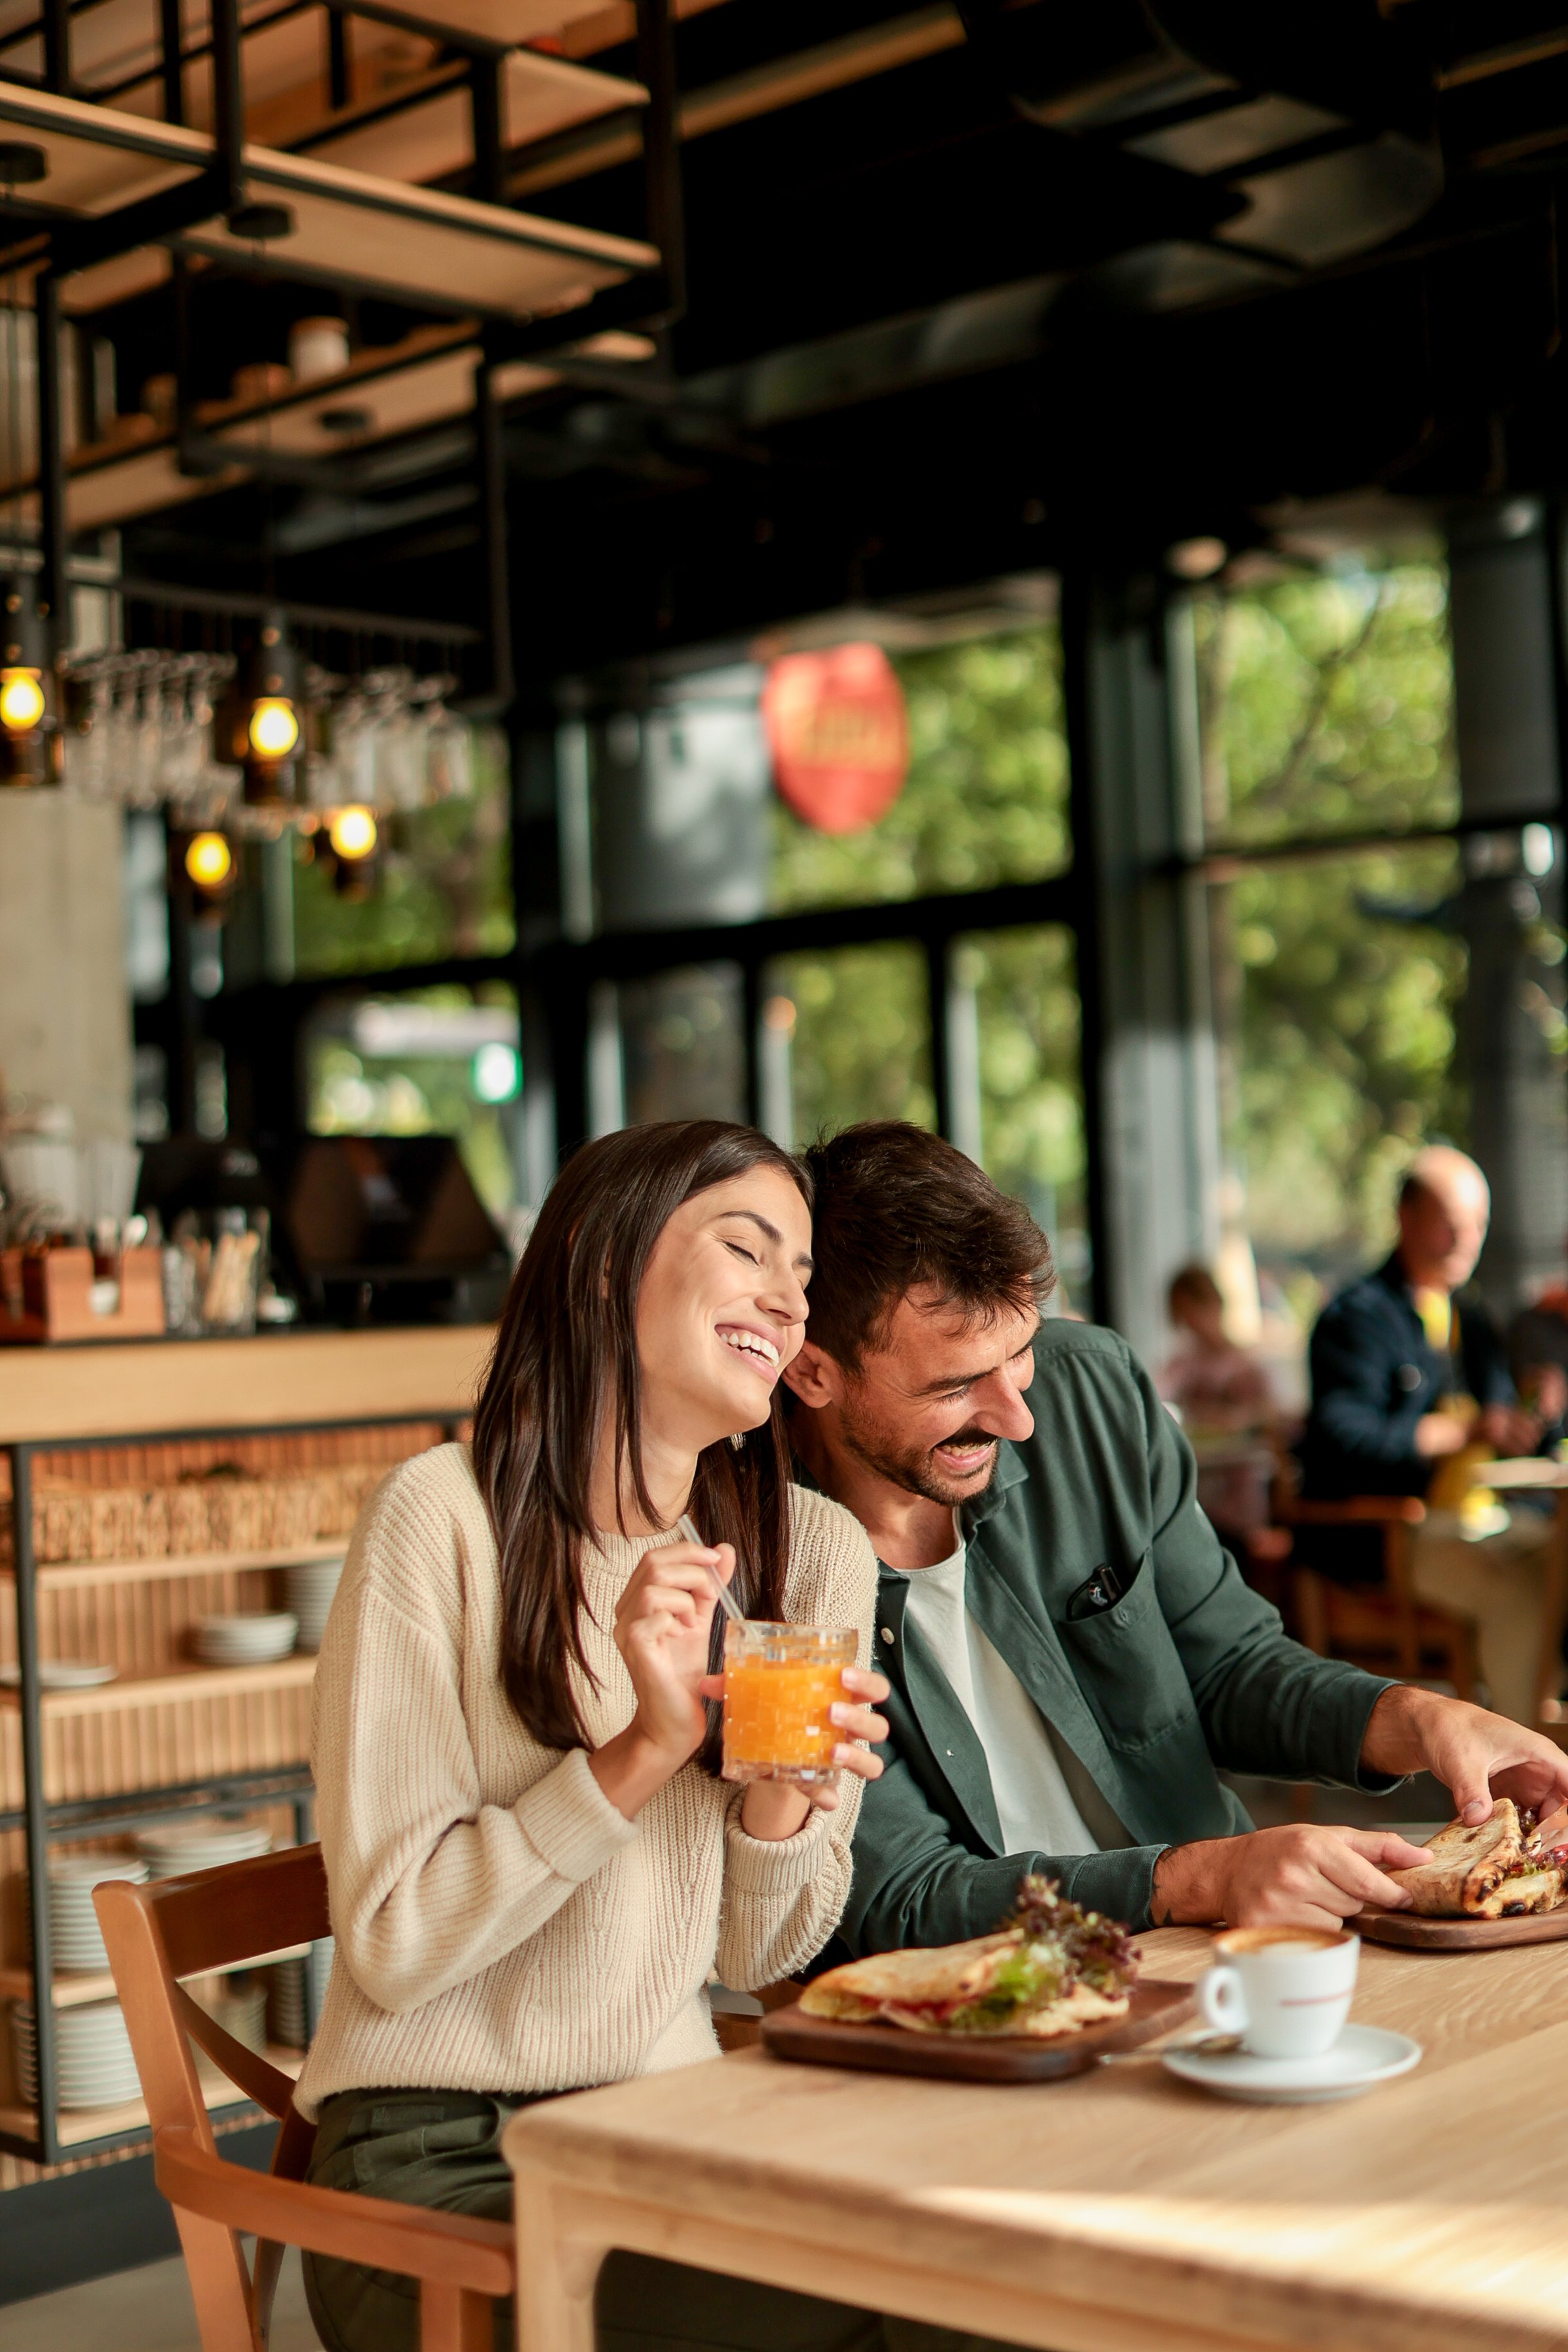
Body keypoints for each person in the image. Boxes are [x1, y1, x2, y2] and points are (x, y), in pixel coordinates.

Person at [297, 1120, 904, 2352]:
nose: (789, 1300)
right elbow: (398, 1946)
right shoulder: (444, 1522)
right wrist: (636, 1755)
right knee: (908, 2322)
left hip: (668, 2124)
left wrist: (783, 1798)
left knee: (1007, 2283)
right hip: (440, 2160)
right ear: (598, 1262)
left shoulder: (811, 1557)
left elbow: (761, 1948)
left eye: (803, 1276)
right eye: (750, 1250)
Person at [779, 1122, 1568, 1953]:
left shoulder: (1093, 1394)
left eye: (1019, 1354)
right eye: (956, 1385)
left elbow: (1228, 1666)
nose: (1019, 1417)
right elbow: (898, 1897)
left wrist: (1415, 1719)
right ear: (812, 1371)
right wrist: (1205, 1878)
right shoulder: (760, 1558)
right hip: (986, 1996)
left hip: (1220, 1951)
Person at [1300, 1145, 1563, 1722]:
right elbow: (1344, 1441)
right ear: (1407, 1217)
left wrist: (1538, 1416)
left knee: (1561, 1565)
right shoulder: (1357, 1318)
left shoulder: (1471, 1317)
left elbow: (1505, 1431)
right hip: (1400, 1532)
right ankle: (1522, 1770)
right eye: (1451, 1222)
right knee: (1523, 1594)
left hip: (1493, 1519)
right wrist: (1463, 1430)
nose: (1466, 1239)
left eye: (1478, 1224)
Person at [1155, 1263, 1276, 1544]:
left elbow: (1270, 1420)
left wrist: (1238, 1420)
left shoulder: (1246, 1366)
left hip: (1237, 1491)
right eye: (1185, 1315)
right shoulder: (1182, 1366)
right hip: (1197, 1487)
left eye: (1197, 1310)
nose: (1194, 1323)